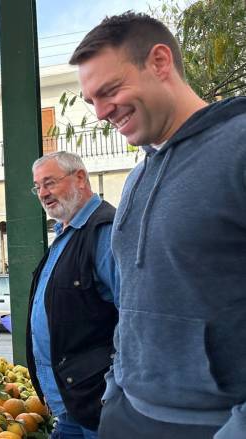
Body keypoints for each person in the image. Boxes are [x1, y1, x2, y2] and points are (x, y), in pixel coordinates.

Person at [70, 12, 246, 439]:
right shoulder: (136, 179)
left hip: (213, 424)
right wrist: (115, 391)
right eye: (91, 100)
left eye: (109, 91)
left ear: (160, 62)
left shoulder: (238, 146)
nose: (100, 112)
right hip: (126, 413)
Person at [26, 151, 119, 438]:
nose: (43, 193)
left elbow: (135, 314)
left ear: (80, 178)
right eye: (38, 186)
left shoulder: (103, 232)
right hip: (70, 402)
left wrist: (115, 387)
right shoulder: (65, 234)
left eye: (50, 182)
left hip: (98, 403)